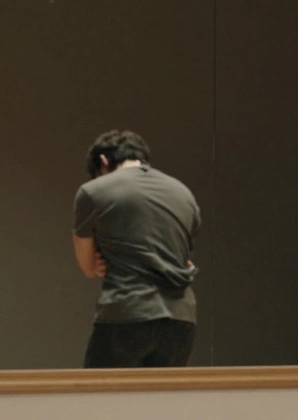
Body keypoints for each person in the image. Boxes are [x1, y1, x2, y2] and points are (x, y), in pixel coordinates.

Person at [72, 129, 201, 368]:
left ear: (103, 161)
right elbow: (185, 261)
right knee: (162, 404)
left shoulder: (93, 191)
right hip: (181, 320)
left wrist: (99, 261)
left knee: (101, 402)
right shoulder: (184, 193)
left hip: (126, 311)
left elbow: (89, 267)